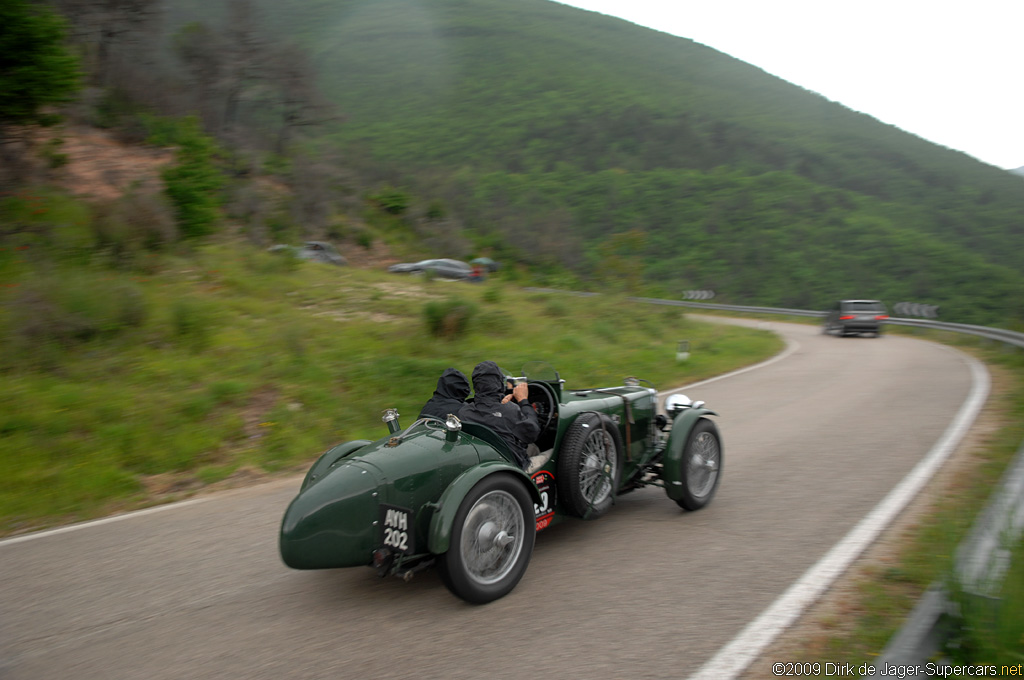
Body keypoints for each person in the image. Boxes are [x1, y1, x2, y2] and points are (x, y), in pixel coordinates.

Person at [458, 361, 540, 470]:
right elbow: (532, 434)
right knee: (544, 452)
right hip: (513, 468)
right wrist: (523, 400)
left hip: (482, 464)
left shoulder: (464, 412)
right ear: (499, 383)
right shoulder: (510, 410)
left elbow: (491, 413)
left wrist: (502, 400)